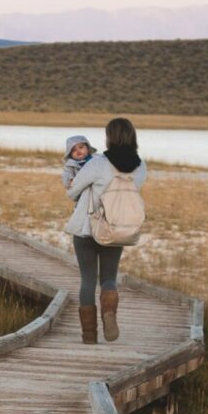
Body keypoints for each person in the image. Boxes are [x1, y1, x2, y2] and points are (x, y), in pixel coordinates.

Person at [64, 118, 146, 344]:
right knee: (109, 278)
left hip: (87, 229)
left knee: (88, 280)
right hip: (117, 229)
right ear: (132, 136)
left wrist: (86, 185)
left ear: (110, 137)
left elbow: (72, 192)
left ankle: (89, 336)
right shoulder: (141, 165)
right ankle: (109, 313)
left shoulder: (98, 163)